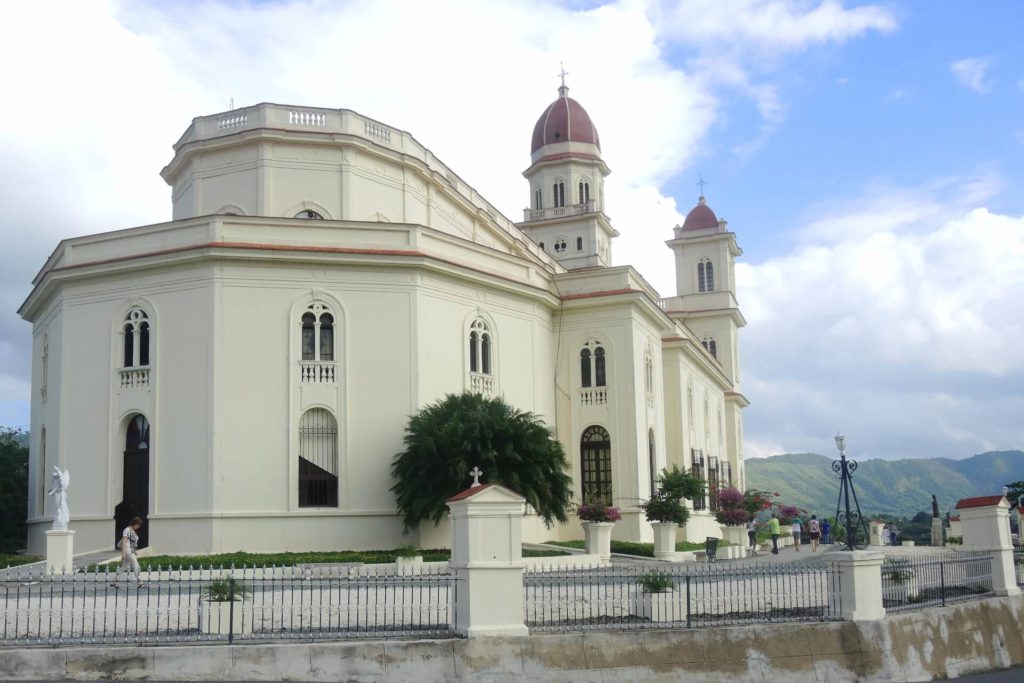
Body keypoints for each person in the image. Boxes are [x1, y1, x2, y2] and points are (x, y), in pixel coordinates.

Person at [111, 516, 145, 589]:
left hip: (130, 551)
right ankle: (140, 582)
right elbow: (124, 541)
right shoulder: (127, 530)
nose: (138, 527)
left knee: (124, 567)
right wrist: (123, 553)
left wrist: (134, 551)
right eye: (138, 525)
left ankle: (114, 581)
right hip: (128, 552)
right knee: (136, 565)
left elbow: (131, 543)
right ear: (135, 523)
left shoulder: (132, 531)